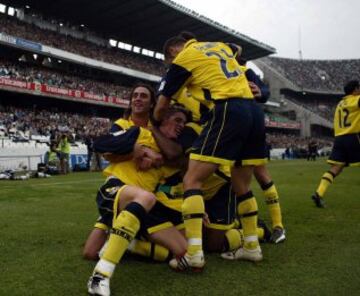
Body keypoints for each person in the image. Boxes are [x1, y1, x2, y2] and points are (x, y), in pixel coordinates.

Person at [154, 32, 266, 270]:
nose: (171, 64)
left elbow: (162, 105)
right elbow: (237, 47)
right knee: (243, 186)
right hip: (254, 112)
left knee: (192, 179)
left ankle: (193, 254)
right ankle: (252, 246)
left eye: (169, 60)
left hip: (228, 107)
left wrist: (154, 123)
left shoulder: (183, 58)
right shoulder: (218, 46)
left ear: (173, 51)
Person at [87, 106, 189, 296]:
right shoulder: (139, 132)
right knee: (89, 252)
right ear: (163, 119)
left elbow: (178, 177)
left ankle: (127, 242)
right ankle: (100, 276)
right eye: (177, 120)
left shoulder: (170, 159)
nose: (181, 125)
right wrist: (141, 152)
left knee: (186, 254)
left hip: (142, 209)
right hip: (116, 191)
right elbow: (100, 144)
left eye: (183, 122)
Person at [311, 80, 360, 208]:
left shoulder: (339, 104)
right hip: (353, 136)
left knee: (336, 168)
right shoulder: (357, 99)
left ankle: (319, 193)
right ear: (355, 89)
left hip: (339, 138)